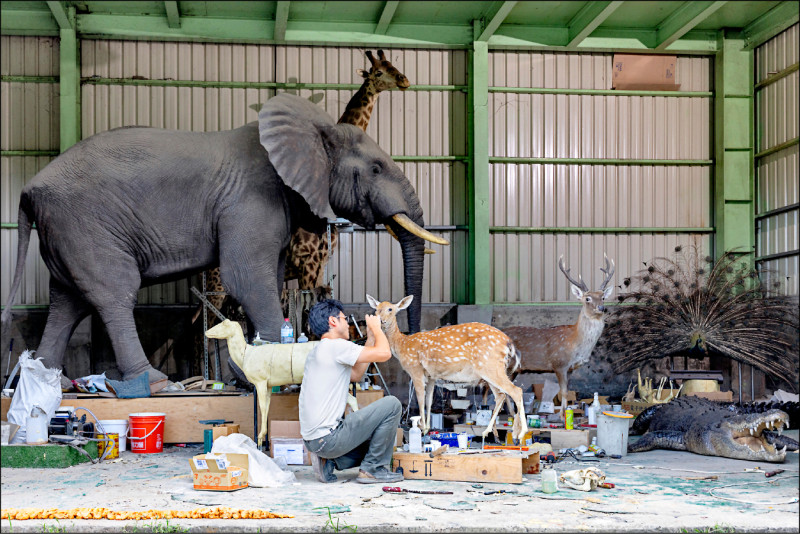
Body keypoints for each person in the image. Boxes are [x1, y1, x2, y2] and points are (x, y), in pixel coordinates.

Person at [299, 298, 404, 484]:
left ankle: (329, 461)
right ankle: (372, 470)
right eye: (344, 319)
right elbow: (385, 354)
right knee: (392, 405)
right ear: (333, 322)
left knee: (380, 442)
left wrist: (371, 337)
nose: (348, 324)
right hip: (329, 438)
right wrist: (378, 328)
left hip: (316, 442)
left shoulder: (319, 350)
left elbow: (355, 374)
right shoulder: (336, 346)